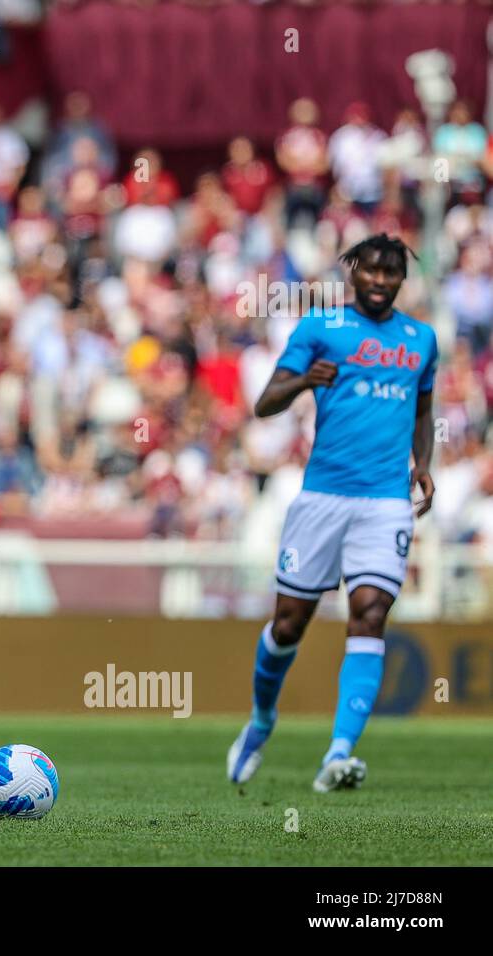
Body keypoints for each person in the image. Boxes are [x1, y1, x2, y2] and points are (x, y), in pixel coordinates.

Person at [227, 234, 437, 793]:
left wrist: (423, 463)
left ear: (400, 280)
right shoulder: (321, 328)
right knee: (289, 622)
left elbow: (423, 406)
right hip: (322, 498)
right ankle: (262, 720)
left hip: (385, 502)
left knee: (369, 613)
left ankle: (338, 753)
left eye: (391, 274)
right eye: (370, 271)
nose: (380, 281)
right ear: (353, 273)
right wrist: (304, 381)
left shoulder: (421, 339)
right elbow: (264, 403)